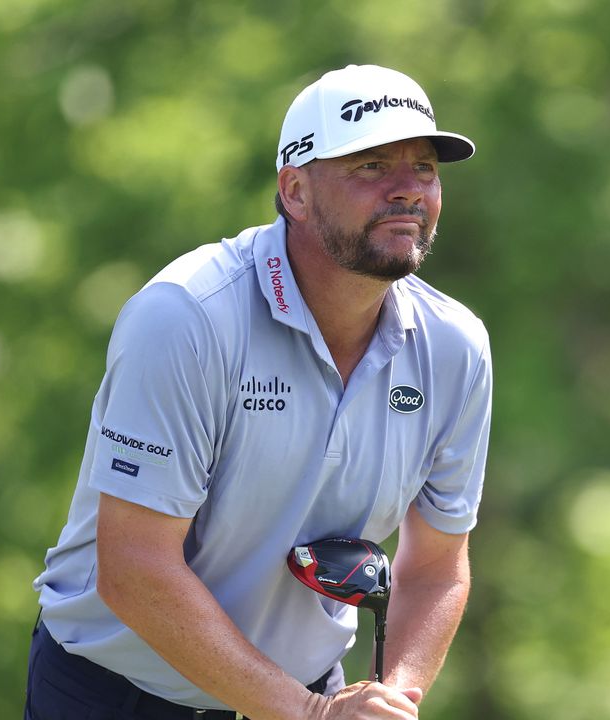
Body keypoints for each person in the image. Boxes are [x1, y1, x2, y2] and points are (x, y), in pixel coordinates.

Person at [27, 65, 492, 720]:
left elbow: (437, 569)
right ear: (294, 191)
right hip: (117, 695)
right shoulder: (186, 316)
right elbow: (134, 568)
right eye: (371, 166)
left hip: (302, 696)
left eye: (423, 167)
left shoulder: (455, 348)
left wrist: (390, 698)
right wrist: (313, 715)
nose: (408, 190)